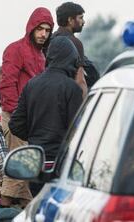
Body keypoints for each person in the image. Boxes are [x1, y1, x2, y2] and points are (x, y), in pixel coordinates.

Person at [0, 7, 54, 208]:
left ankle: (26, 207)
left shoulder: (42, 55)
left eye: (47, 30)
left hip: (33, 119)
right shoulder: (15, 49)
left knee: (27, 168)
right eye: (39, 29)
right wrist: (18, 117)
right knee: (20, 164)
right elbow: (7, 84)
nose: (43, 34)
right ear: (31, 28)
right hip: (17, 117)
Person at [9, 36, 83, 169]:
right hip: (61, 163)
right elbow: (77, 129)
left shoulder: (31, 84)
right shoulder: (72, 88)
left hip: (35, 164)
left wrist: (35, 138)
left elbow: (15, 124)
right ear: (71, 60)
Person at [52, 2, 98, 91]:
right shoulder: (74, 43)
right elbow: (80, 80)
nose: (83, 22)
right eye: (80, 18)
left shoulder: (50, 40)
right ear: (70, 20)